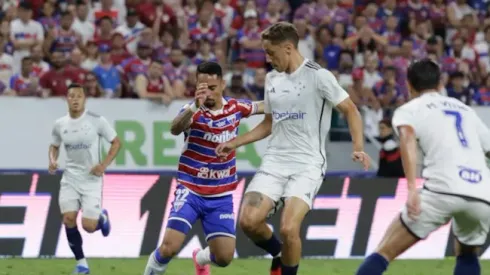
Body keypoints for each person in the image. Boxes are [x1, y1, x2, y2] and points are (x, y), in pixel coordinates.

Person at [216, 22, 370, 275]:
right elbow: (269, 124)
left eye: (270, 52)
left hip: (307, 164)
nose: (267, 58)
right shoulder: (272, 79)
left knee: (289, 228)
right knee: (248, 221)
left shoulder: (318, 76)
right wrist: (235, 142)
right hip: (275, 162)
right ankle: (278, 253)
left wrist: (358, 146)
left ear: (288, 48)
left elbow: (351, 110)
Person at [355, 59, 490, 275]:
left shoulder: (409, 110)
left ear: (409, 86)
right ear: (440, 84)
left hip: (441, 190)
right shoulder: (466, 110)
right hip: (481, 193)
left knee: (384, 251)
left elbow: (407, 140)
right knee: (467, 254)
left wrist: (411, 189)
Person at [143, 61, 265, 275]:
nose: (207, 93)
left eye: (212, 88)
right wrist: (193, 107)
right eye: (201, 87)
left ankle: (200, 258)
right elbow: (174, 128)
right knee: (169, 247)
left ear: (222, 84)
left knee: (225, 258)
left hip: (221, 195)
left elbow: (264, 106)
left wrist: (292, 100)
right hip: (190, 190)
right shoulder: (192, 111)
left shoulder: (236, 107)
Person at [48, 83, 121, 274]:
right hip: (70, 178)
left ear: (84, 99)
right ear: (67, 99)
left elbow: (116, 142)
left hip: (91, 180)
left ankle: (101, 218)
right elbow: (54, 145)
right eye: (71, 96)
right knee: (68, 219)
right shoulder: (60, 124)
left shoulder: (97, 121)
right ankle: (81, 264)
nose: (75, 99)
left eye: (78, 96)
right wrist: (52, 161)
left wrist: (103, 165)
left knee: (88, 226)